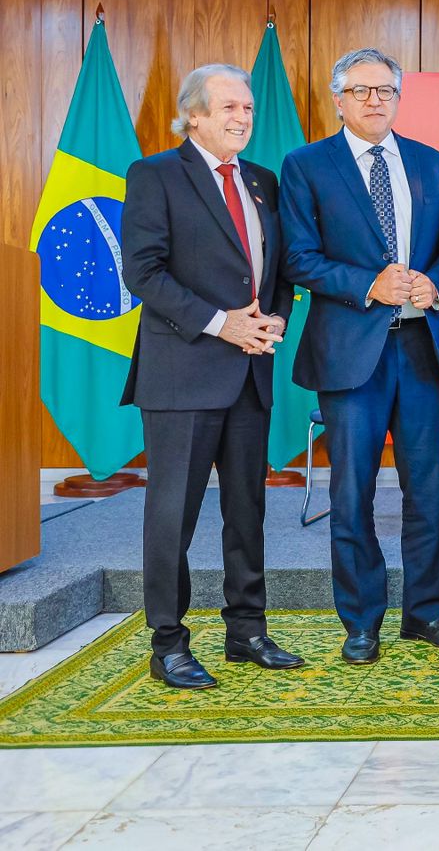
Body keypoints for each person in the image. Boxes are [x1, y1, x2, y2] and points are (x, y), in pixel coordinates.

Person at [281, 47, 439, 665]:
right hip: (348, 352)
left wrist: (435, 283)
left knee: (428, 489)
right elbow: (297, 257)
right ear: (338, 100)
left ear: (398, 98)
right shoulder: (307, 164)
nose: (373, 100)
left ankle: (426, 612)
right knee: (353, 492)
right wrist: (369, 284)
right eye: (360, 91)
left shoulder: (428, 162)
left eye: (384, 90)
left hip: (418, 347)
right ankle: (361, 621)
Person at [121, 63, 301, 688]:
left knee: (247, 510)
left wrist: (273, 319)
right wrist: (223, 324)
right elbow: (143, 273)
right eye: (228, 107)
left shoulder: (262, 180)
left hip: (251, 371)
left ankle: (246, 631)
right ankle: (168, 643)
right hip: (183, 374)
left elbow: (277, 269)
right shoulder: (155, 175)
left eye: (247, 108)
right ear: (193, 115)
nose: (242, 117)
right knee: (173, 514)